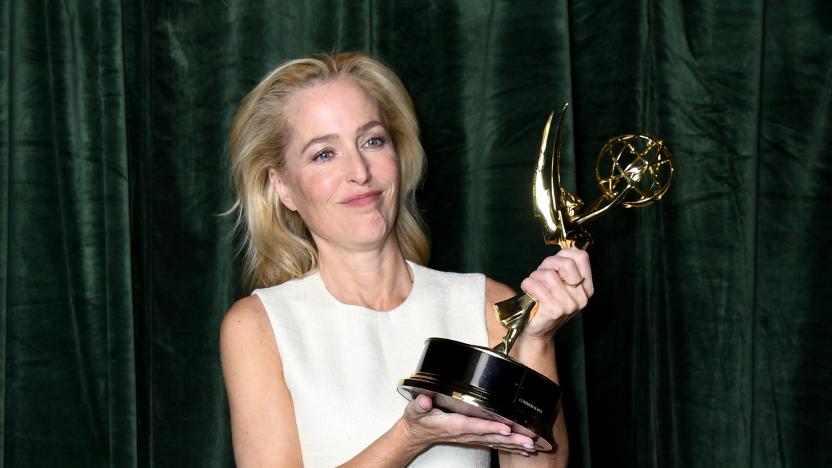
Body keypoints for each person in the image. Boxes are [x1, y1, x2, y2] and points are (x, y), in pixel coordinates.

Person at [220, 52, 593, 467]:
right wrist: (409, 437)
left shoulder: (488, 305)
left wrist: (535, 341)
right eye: (324, 154)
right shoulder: (258, 326)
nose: (359, 171)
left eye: (372, 141)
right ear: (283, 186)